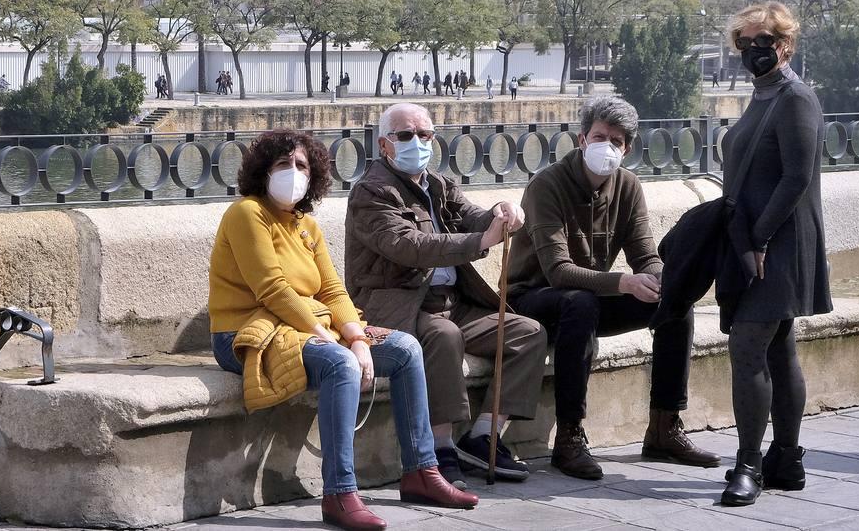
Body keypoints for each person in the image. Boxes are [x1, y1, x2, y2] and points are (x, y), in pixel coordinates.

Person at [209, 129, 477, 530]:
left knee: (405, 349)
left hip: (301, 326)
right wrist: (332, 338)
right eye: (283, 165)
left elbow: (333, 289)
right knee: (340, 364)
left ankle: (422, 471)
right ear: (262, 172)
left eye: (301, 165)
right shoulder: (247, 213)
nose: (293, 172)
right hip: (245, 332)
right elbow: (274, 290)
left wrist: (355, 334)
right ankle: (340, 492)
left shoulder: (306, 226)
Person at [506, 95, 719, 480]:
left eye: (617, 141)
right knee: (581, 303)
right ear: (582, 139)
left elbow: (644, 253)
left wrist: (659, 280)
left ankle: (664, 427)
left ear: (628, 148)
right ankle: (569, 437)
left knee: (675, 302)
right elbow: (557, 272)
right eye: (600, 136)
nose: (607, 146)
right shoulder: (547, 185)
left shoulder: (628, 186)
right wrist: (624, 282)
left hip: (587, 300)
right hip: (533, 299)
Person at [346, 103, 547, 486]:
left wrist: (499, 214)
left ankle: (483, 436)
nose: (416, 142)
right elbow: (409, 245)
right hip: (399, 305)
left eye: (424, 135)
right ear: (384, 143)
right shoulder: (371, 193)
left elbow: (471, 215)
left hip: (453, 302)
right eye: (405, 135)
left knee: (527, 332)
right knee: (443, 336)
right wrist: (480, 240)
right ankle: (440, 446)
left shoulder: (437, 183)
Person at [717, 3, 831, 507]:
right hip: (758, 239)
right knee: (779, 350)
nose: (751, 50)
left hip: (779, 241)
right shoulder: (762, 97)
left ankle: (750, 464)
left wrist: (759, 240)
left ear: (785, 43)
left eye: (760, 39)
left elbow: (796, 178)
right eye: (743, 42)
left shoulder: (795, 98)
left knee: (747, 347)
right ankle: (786, 459)